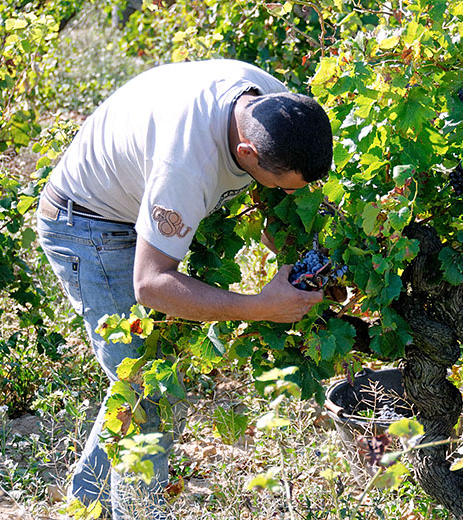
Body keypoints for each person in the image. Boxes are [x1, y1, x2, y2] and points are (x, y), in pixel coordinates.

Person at [35, 59, 331, 519]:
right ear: (248, 153)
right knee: (149, 392)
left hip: (134, 207)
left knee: (134, 380)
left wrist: (290, 243)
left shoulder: (275, 106)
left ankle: (84, 506)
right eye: (280, 184)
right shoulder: (186, 166)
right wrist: (259, 307)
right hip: (88, 226)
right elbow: (152, 284)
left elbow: (279, 193)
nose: (290, 194)